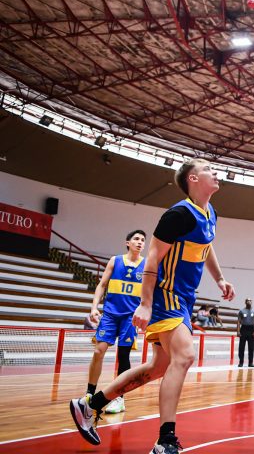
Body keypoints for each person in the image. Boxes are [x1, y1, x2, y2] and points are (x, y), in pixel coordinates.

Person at [70, 158, 235, 453]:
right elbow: (153, 258)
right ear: (193, 179)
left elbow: (207, 247)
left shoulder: (210, 213)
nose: (215, 172)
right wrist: (145, 304)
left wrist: (220, 278)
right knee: (184, 356)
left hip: (184, 298)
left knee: (159, 367)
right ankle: (165, 440)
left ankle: (90, 405)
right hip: (166, 294)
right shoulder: (178, 214)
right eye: (208, 169)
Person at [84, 230, 146, 414]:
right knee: (98, 351)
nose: (140, 242)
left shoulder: (147, 265)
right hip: (110, 314)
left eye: (143, 240)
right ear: (127, 242)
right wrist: (94, 307)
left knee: (124, 356)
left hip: (130, 317)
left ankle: (119, 399)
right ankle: (89, 394)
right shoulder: (115, 261)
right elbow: (102, 285)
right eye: (136, 239)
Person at [237, 298, 254, 367]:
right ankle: (241, 362)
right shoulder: (241, 311)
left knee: (251, 347)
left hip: (251, 329)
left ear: (252, 302)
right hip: (243, 329)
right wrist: (238, 331)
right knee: (241, 347)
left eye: (250, 300)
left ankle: (250, 362)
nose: (249, 301)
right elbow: (238, 322)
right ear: (245, 302)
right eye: (247, 300)